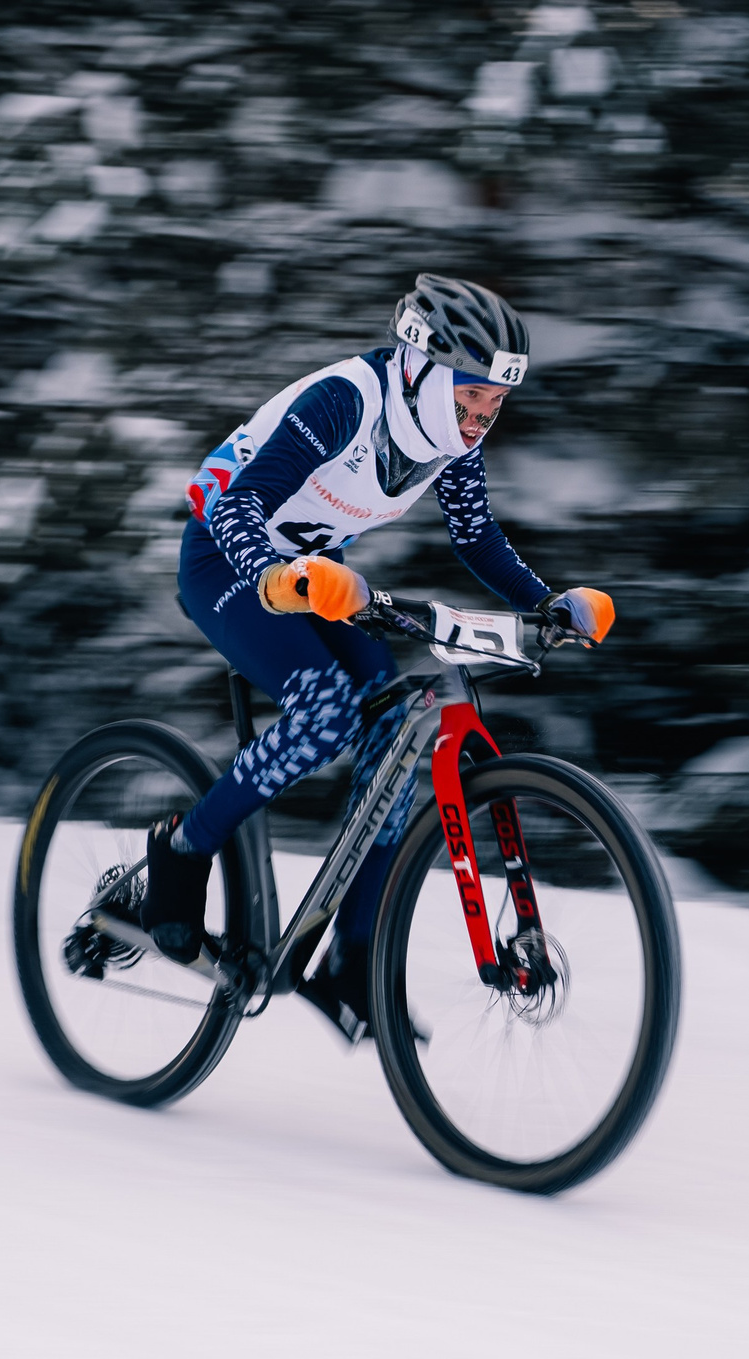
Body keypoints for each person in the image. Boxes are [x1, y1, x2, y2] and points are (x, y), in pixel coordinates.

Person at [136, 273, 615, 1041]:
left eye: (496, 400)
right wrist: (271, 572)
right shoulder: (345, 402)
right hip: (228, 562)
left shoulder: (451, 437)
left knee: (393, 722)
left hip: (314, 577)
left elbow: (475, 535)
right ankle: (183, 848)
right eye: (472, 394)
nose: (483, 415)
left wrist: (545, 603)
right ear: (423, 369)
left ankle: (351, 956)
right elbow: (236, 505)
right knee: (326, 709)